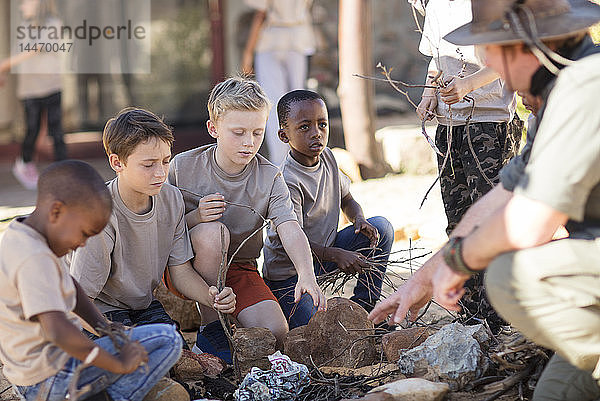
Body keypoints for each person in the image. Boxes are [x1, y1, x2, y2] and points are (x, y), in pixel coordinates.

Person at [370, 0, 600, 399]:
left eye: (493, 54)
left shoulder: (586, 85)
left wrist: (460, 261)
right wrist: (426, 276)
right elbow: (504, 196)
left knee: (512, 275)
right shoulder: (562, 89)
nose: (504, 83)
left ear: (526, 45)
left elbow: (529, 220)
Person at [168, 77, 326, 357]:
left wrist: (306, 274)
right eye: (238, 132)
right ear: (213, 128)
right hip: (184, 267)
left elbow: (289, 227)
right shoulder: (183, 166)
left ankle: (231, 320)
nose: (249, 143)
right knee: (213, 232)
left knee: (275, 332)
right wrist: (196, 217)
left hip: (238, 268)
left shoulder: (268, 176)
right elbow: (162, 226)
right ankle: (212, 326)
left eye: (256, 132)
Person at [0, 160, 182, 401]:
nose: (83, 243)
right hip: (51, 377)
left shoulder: (24, 234)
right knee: (168, 339)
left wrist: (104, 326)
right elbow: (59, 332)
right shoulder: (34, 259)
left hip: (33, 376)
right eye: (84, 233)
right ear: (56, 212)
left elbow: (71, 287)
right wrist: (119, 364)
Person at [69, 108, 235, 337]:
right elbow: (79, 301)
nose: (160, 174)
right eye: (148, 165)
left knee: (171, 350)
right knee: (128, 359)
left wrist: (213, 297)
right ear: (117, 163)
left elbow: (181, 271)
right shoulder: (99, 215)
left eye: (166, 161)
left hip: (140, 305)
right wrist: (122, 337)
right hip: (95, 309)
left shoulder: (171, 198)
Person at [415, 0, 524, 330]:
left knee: (489, 222)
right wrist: (429, 93)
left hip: (489, 122)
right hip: (449, 127)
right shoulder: (434, 5)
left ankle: (498, 317)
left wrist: (468, 85)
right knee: (457, 219)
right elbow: (437, 57)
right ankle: (471, 312)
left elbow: (507, 59)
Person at [262, 89, 394, 329]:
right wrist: (336, 255)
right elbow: (292, 238)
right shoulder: (287, 180)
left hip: (323, 258)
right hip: (289, 274)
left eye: (322, 124)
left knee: (381, 228)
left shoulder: (329, 158)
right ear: (284, 135)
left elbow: (347, 198)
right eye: (304, 127)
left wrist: (359, 218)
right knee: (315, 328)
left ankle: (367, 308)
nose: (316, 133)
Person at [0, 0, 66, 190]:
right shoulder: (24, 27)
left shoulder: (54, 23)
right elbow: (17, 52)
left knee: (57, 132)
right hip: (29, 90)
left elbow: (35, 48)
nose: (22, 7)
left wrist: (3, 65)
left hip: (52, 86)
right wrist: (3, 72)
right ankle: (24, 163)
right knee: (32, 129)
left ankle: (66, 172)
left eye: (25, 3)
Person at [241, 0, 316, 166]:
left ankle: (280, 162)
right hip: (298, 38)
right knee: (299, 103)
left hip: (271, 39)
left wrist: (248, 52)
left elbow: (260, 14)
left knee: (274, 104)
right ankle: (302, 159)